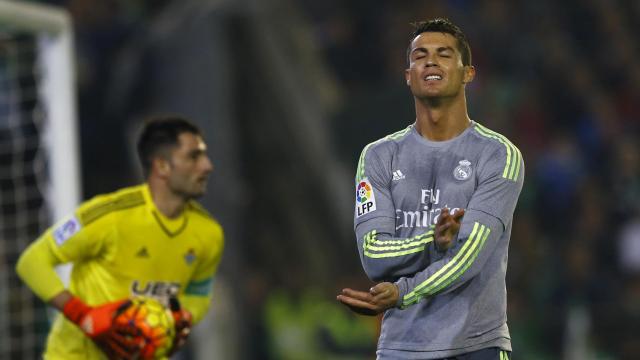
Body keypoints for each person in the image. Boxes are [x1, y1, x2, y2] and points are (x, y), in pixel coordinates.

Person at [337, 18, 523, 360]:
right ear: (409, 76)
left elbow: (469, 255)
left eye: (444, 54)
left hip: (475, 347)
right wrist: (432, 241)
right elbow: (373, 255)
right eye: (420, 55)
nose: (431, 61)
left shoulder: (498, 155)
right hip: (400, 349)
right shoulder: (378, 156)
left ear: (468, 73)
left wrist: (402, 291)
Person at [16, 115, 224, 359]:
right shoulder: (109, 215)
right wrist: (84, 316)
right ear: (162, 166)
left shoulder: (209, 233)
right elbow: (32, 262)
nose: (207, 166)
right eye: (194, 156)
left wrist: (183, 317)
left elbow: (198, 294)